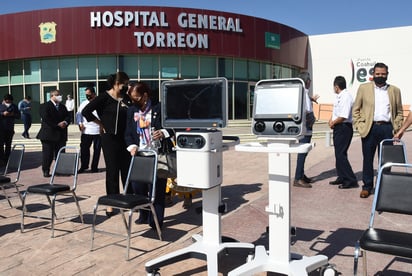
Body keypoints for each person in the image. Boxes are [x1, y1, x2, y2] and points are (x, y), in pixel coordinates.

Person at [124, 81, 176, 229]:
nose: (134, 101)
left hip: (156, 154)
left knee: (157, 189)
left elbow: (173, 126)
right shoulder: (131, 110)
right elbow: (128, 132)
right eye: (132, 98)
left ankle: (156, 220)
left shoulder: (159, 108)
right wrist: (132, 146)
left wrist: (164, 133)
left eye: (137, 97)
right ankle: (144, 213)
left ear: (145, 95)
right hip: (139, 154)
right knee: (137, 186)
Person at [82, 72, 131, 217]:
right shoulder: (104, 97)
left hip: (125, 138)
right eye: (125, 83)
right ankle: (111, 203)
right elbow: (86, 112)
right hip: (109, 138)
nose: (126, 86)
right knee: (112, 170)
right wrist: (100, 123)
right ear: (117, 83)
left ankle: (127, 199)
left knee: (126, 169)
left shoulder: (125, 98)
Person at [352, 62, 404, 198]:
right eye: (377, 74)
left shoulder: (394, 90)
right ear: (373, 74)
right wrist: (359, 125)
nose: (380, 76)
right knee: (367, 159)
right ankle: (367, 187)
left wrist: (397, 127)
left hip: (387, 129)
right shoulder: (364, 88)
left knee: (386, 161)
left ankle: (383, 186)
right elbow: (356, 109)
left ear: (387, 74)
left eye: (383, 74)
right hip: (370, 128)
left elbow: (399, 111)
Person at [328, 76, 358, 189]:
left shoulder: (346, 97)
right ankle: (341, 176)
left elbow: (344, 116)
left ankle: (350, 179)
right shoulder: (338, 97)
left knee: (341, 154)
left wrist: (333, 122)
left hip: (344, 127)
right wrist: (331, 120)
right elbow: (336, 112)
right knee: (338, 153)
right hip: (338, 126)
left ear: (336, 87)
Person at [293, 72, 319, 188]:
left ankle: (301, 175)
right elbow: (305, 109)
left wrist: (311, 99)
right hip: (304, 126)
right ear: (307, 81)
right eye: (310, 80)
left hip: (307, 126)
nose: (311, 82)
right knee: (302, 152)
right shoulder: (302, 92)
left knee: (304, 151)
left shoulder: (303, 92)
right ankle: (298, 178)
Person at [36, 90, 70, 177]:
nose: (60, 96)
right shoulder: (45, 106)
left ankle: (60, 170)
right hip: (49, 135)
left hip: (61, 134)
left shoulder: (62, 107)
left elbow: (68, 116)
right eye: (57, 95)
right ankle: (46, 170)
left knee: (61, 153)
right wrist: (57, 125)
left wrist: (65, 122)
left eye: (60, 94)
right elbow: (46, 118)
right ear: (52, 96)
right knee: (48, 154)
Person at [76, 87, 101, 173]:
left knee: (97, 150)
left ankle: (94, 167)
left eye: (89, 95)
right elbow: (78, 114)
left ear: (94, 94)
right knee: (84, 149)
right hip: (86, 131)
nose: (88, 96)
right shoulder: (83, 103)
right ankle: (84, 166)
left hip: (98, 130)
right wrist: (80, 123)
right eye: (86, 95)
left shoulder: (99, 103)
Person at [0, 94, 20, 165]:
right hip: (1, 129)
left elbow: (18, 116)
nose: (8, 102)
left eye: (10, 101)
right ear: (5, 100)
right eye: (7, 101)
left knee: (8, 145)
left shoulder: (14, 106)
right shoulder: (1, 106)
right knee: (1, 145)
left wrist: (12, 115)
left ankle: (7, 160)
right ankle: (1, 160)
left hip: (10, 129)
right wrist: (3, 114)